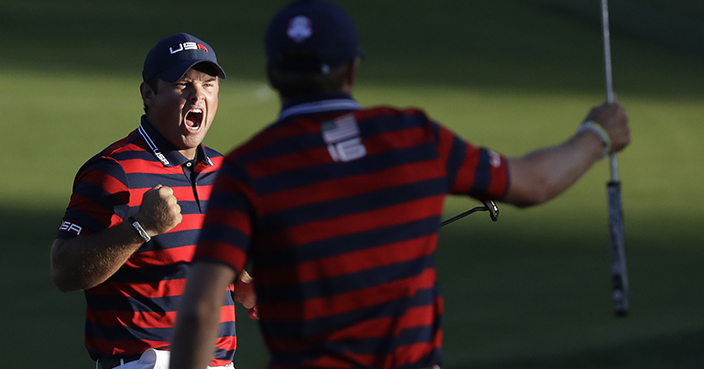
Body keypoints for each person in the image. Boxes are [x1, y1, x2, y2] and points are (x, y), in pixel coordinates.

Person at [169, 1, 631, 368]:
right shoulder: (413, 136)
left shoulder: (248, 167)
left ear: (272, 75)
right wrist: (598, 135)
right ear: (351, 70)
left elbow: (201, 306)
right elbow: (534, 183)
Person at [50, 32, 256, 369]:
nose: (197, 95)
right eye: (182, 84)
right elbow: (64, 271)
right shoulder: (115, 170)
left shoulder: (223, 173)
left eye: (208, 84)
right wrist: (140, 228)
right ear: (149, 93)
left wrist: (241, 281)